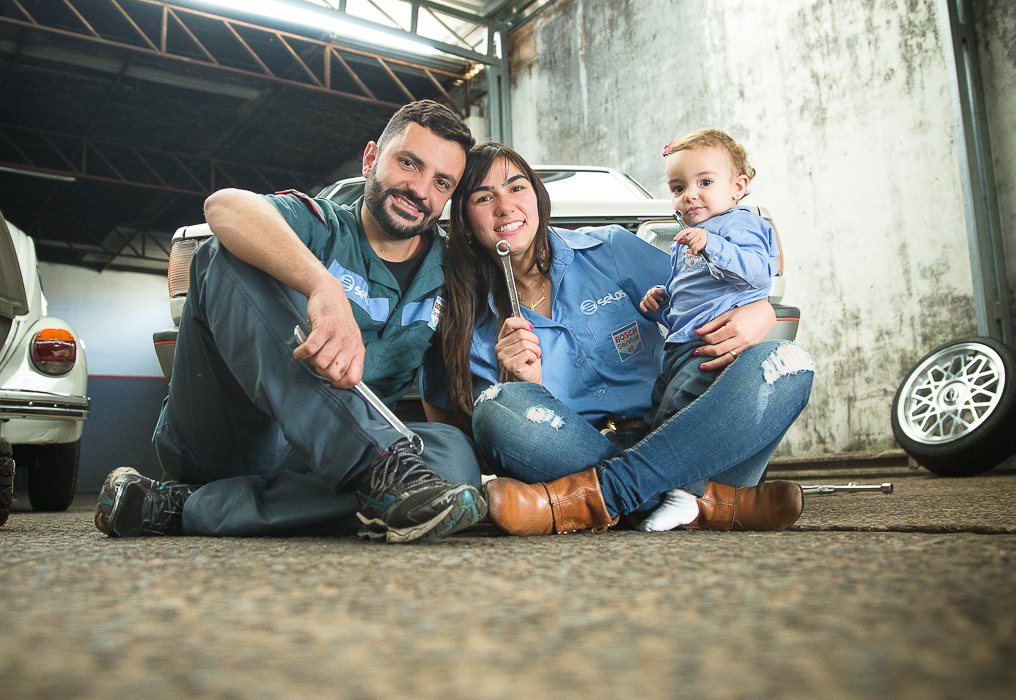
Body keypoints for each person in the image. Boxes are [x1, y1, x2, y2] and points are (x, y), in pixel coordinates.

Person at [94, 100, 487, 544]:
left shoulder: (449, 272)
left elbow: (445, 392)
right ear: (371, 159)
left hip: (323, 467)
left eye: (441, 182)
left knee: (455, 462)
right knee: (222, 255)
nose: (420, 190)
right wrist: (322, 286)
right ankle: (374, 467)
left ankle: (183, 507)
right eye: (408, 163)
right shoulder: (322, 226)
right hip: (231, 436)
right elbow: (224, 207)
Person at [423, 142, 813, 536]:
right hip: (578, 454)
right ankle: (706, 505)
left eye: (517, 188)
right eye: (484, 197)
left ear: (538, 196)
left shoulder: (610, 248)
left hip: (686, 431)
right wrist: (524, 384)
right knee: (497, 408)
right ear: (466, 222)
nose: (505, 206)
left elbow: (710, 296)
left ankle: (598, 498)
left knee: (788, 362)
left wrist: (761, 311)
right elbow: (471, 440)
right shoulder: (464, 319)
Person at [633, 129, 781, 531]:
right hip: (679, 346)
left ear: (738, 187)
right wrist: (661, 301)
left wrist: (711, 244)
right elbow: (689, 296)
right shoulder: (684, 242)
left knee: (686, 411)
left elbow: (757, 274)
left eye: (705, 182)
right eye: (678, 188)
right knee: (661, 412)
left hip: (713, 344)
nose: (690, 195)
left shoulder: (741, 224)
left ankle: (684, 497)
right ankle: (656, 489)